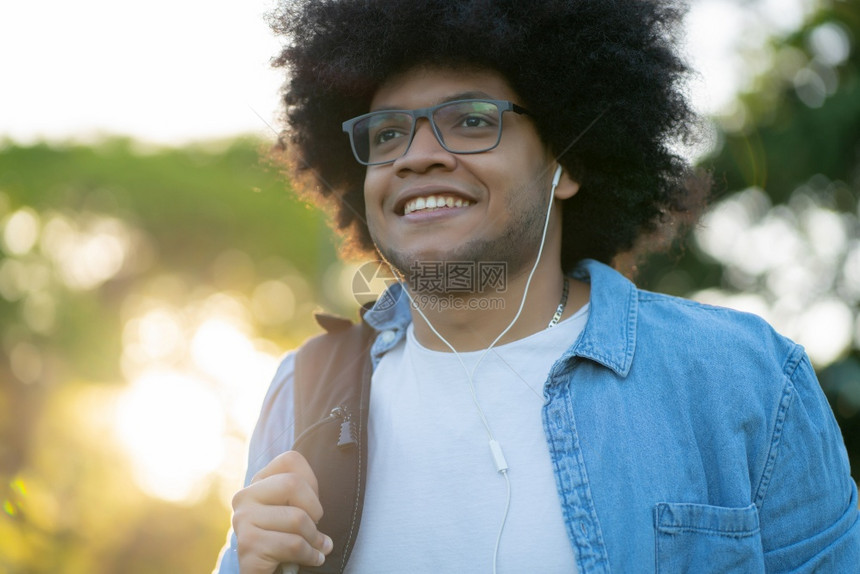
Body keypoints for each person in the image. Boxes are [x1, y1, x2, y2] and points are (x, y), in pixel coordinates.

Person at [215, 0, 860, 572]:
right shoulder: (303, 390)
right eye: (387, 134)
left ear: (569, 163)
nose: (415, 156)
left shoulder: (742, 378)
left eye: (470, 121)